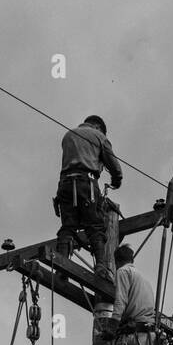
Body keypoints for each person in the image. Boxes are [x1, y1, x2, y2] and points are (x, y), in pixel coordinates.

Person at [54, 115, 123, 278]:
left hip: (65, 185)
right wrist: (117, 179)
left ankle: (62, 265)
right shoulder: (99, 136)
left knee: (68, 226)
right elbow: (112, 163)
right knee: (95, 225)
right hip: (87, 184)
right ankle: (101, 267)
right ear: (99, 127)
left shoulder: (68, 135)